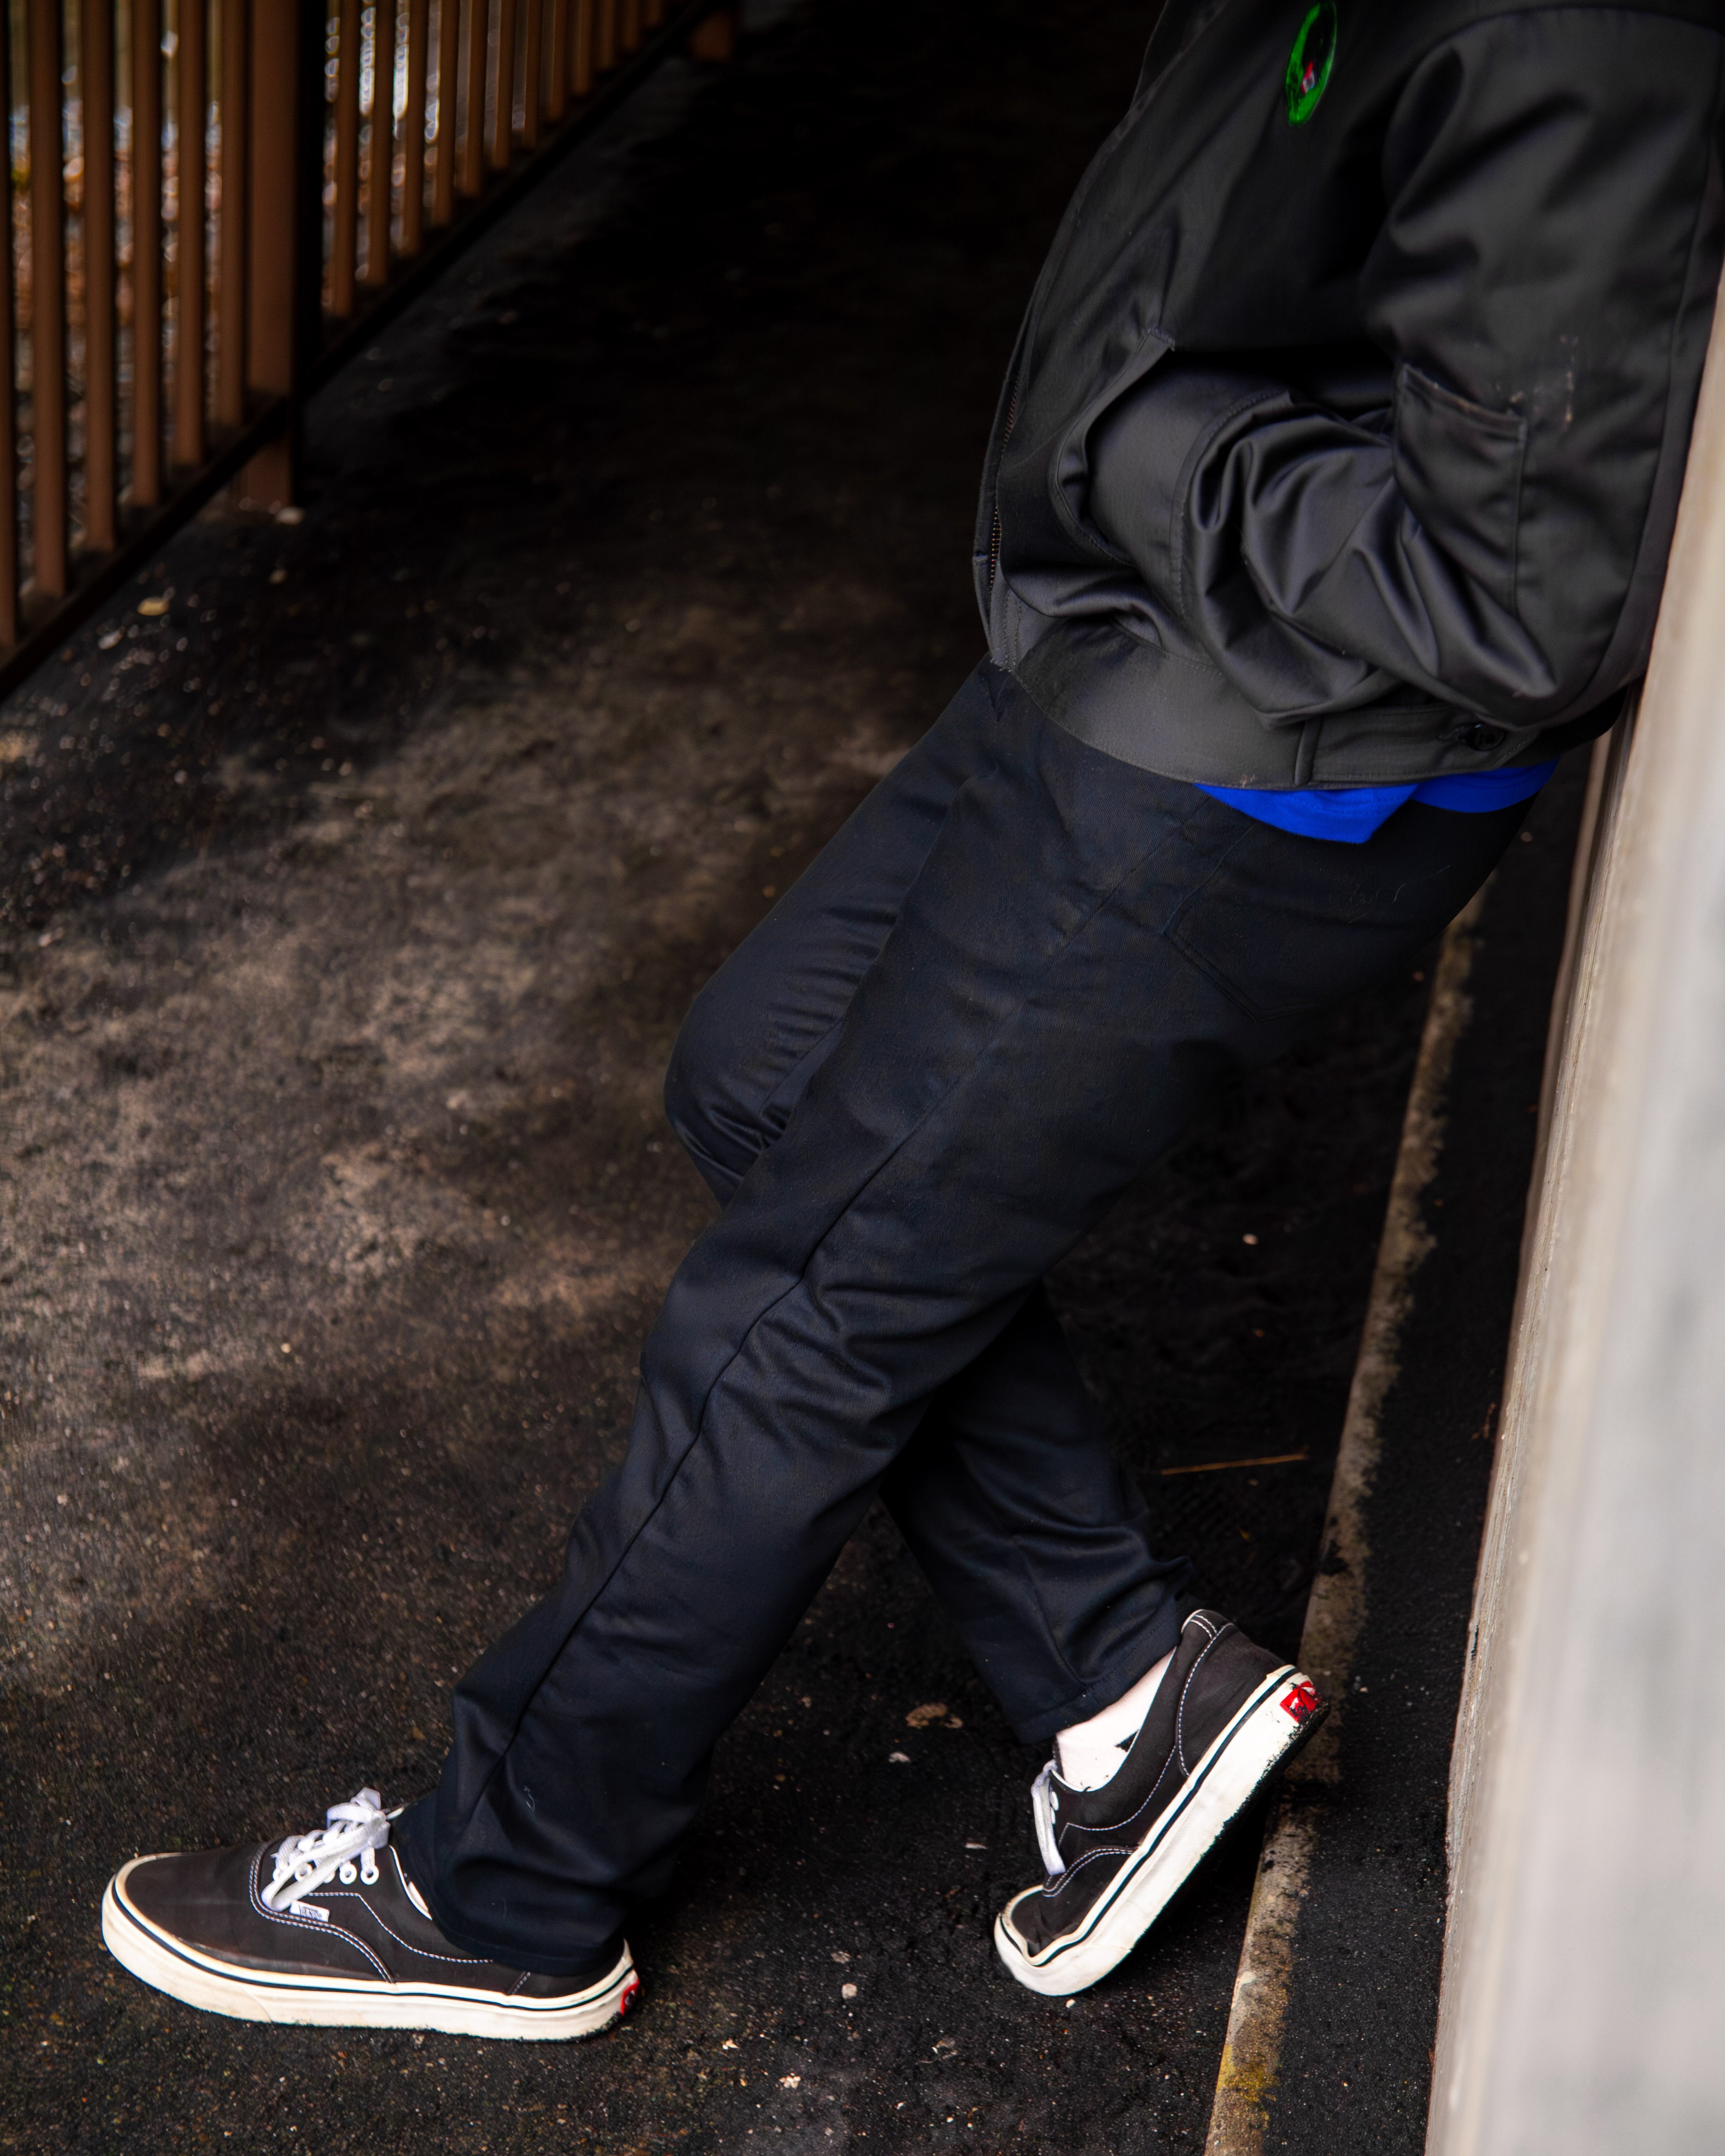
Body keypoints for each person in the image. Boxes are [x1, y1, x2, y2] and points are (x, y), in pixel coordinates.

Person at [101, 0, 1725, 2038]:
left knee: (811, 1309)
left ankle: (505, 1884)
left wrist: (1135, 440)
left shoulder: (1577, 26)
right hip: (1146, 649)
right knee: (765, 1077)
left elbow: (1526, 596)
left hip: (1266, 755)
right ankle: (1127, 1694)